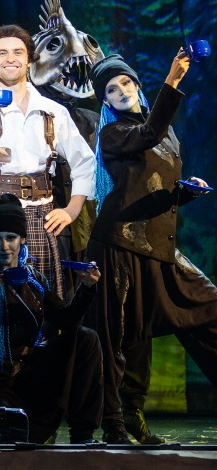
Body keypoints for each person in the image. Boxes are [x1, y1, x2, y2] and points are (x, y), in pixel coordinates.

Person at [86, 51, 217, 444]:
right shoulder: (113, 134)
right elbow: (147, 135)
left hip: (156, 245)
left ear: (137, 85)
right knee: (121, 336)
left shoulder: (165, 131)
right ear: (106, 100)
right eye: (112, 89)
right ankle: (118, 422)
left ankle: (130, 415)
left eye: (126, 82)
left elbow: (149, 186)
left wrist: (184, 193)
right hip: (119, 244)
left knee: (207, 305)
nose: (122, 91)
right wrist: (172, 81)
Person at [0, 25, 95, 302]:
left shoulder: (52, 111)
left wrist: (71, 210)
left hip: (40, 216)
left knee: (41, 307)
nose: (10, 58)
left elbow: (84, 162)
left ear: (29, 60)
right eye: (2, 53)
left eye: (18, 52)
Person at [0, 194, 103, 444]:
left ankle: (83, 434)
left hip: (23, 376)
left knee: (86, 338)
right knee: (2, 420)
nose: (4, 246)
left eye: (11, 237)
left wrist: (87, 288)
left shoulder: (33, 279)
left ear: (23, 239)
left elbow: (66, 320)